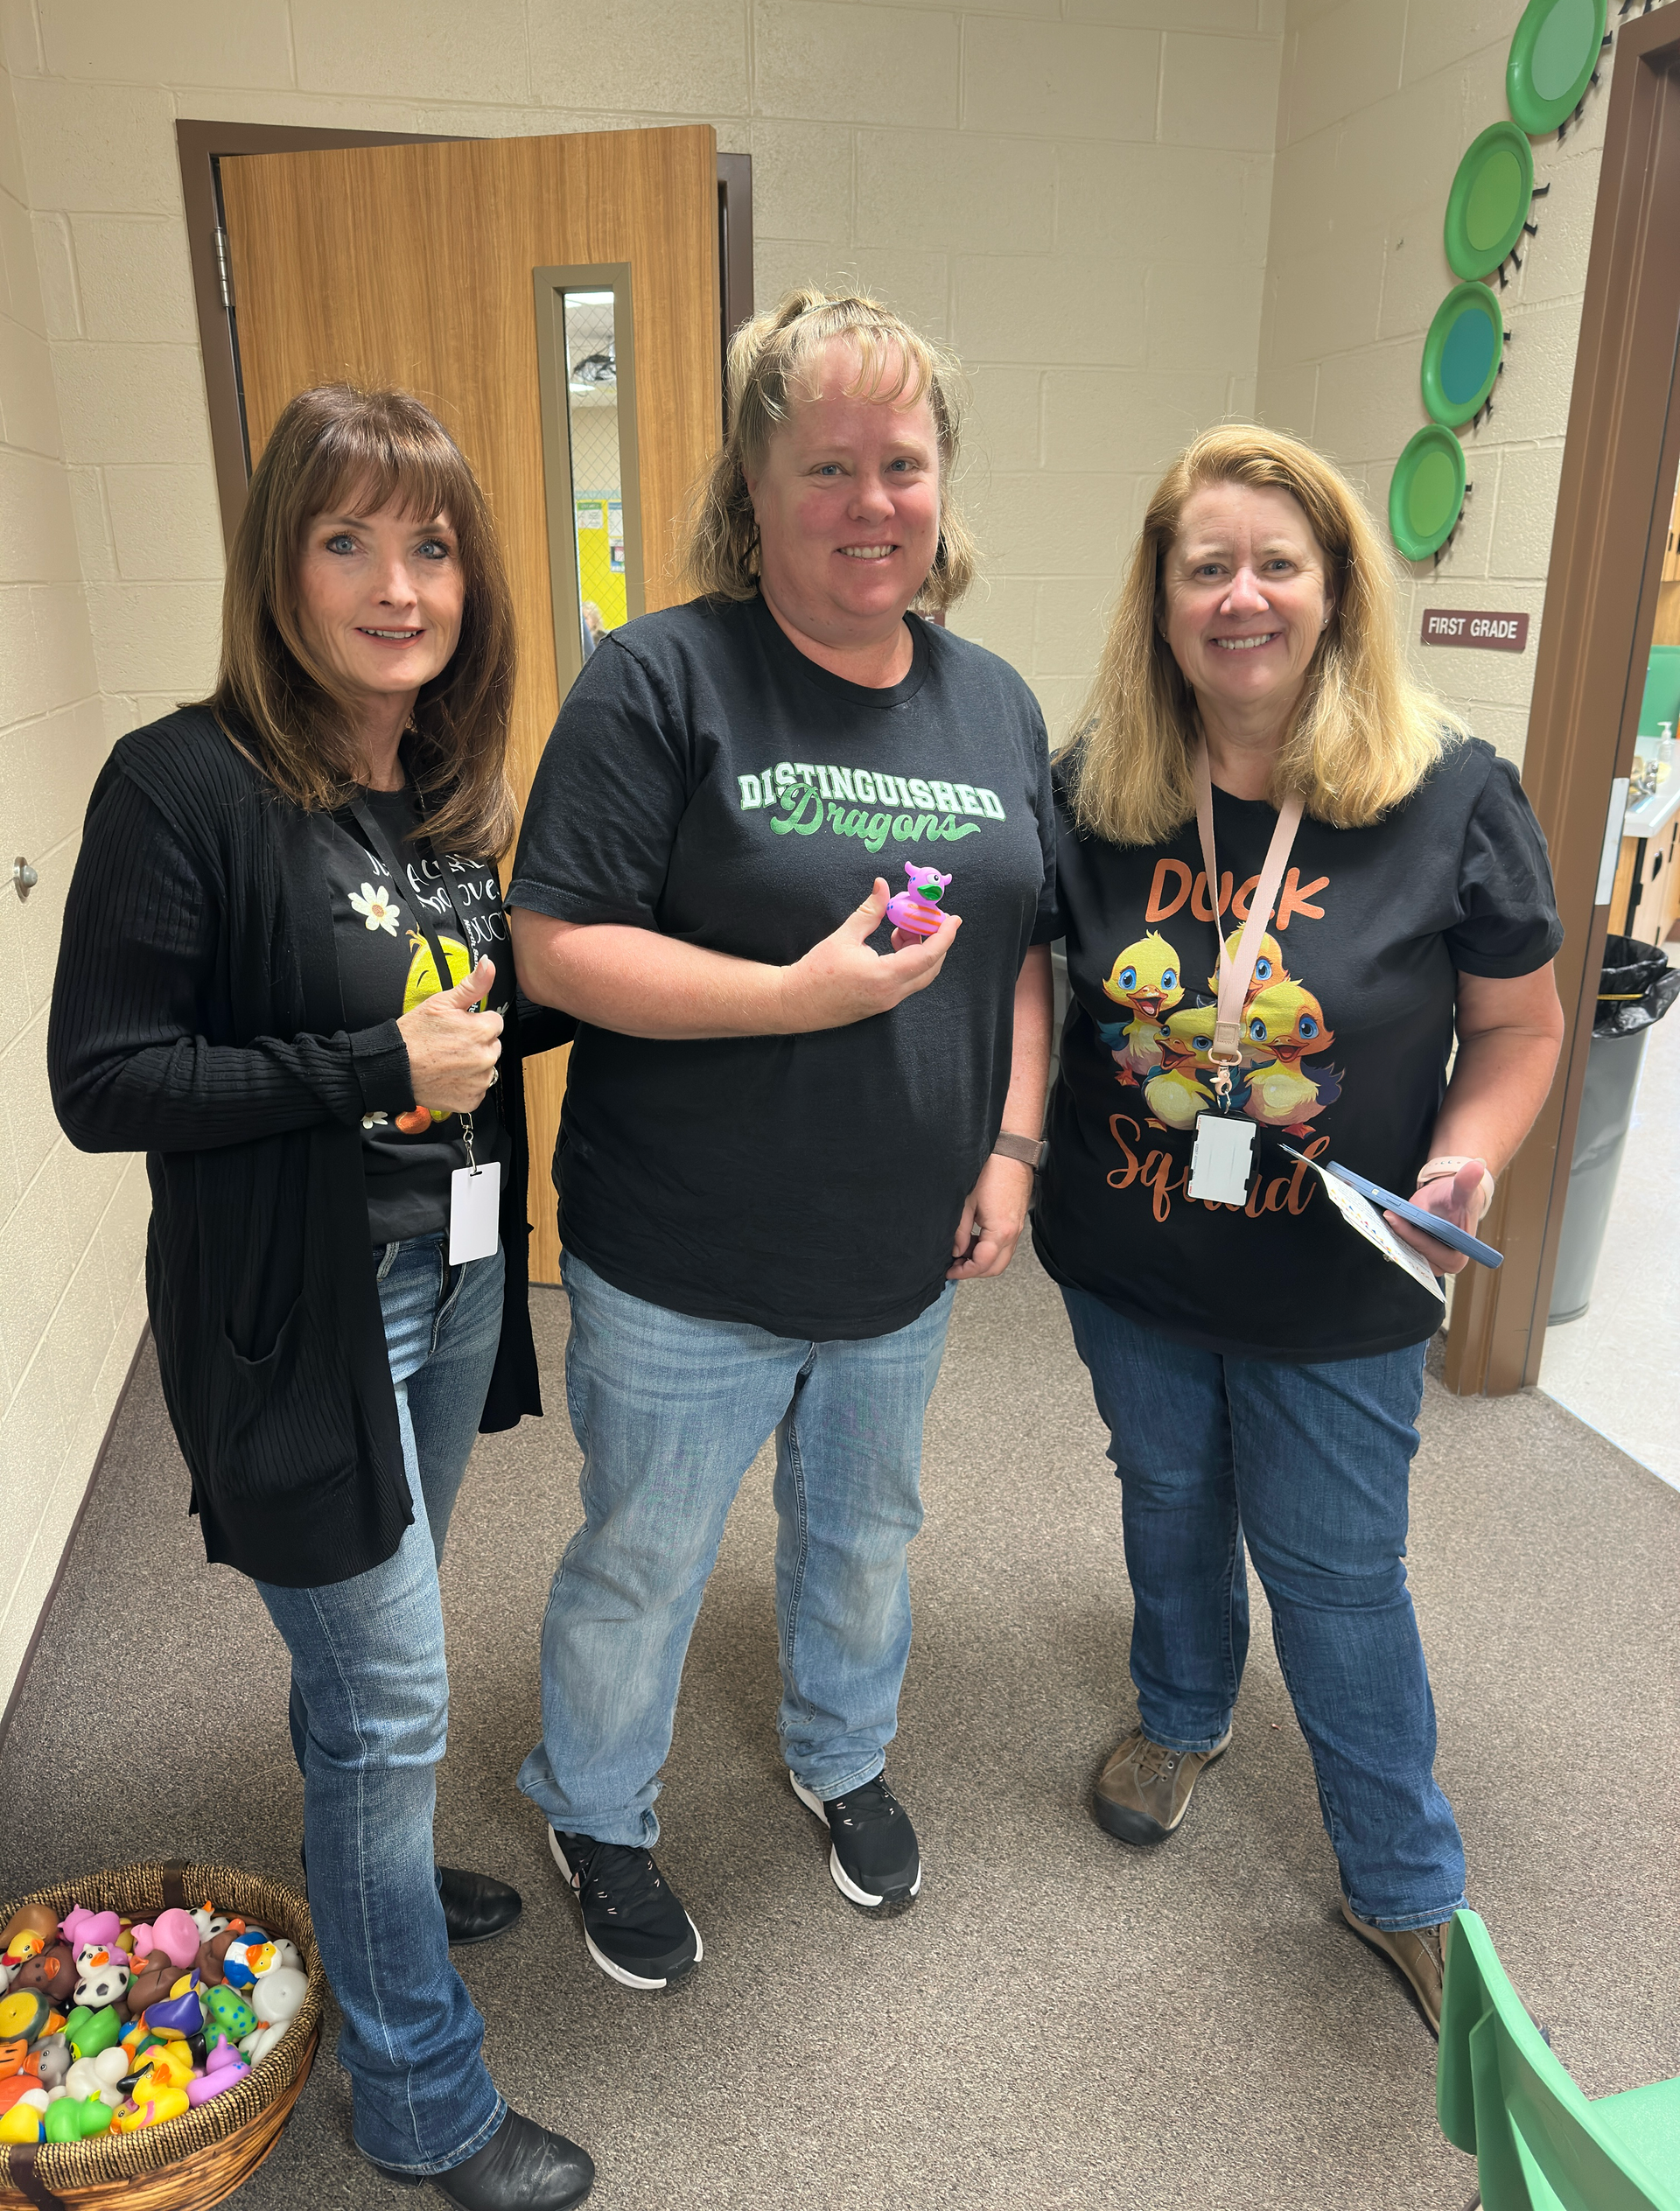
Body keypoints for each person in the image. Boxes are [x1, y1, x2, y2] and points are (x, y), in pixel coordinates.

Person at [48, 385, 592, 2209]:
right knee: (391, 1697)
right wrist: (368, 1062)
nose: (397, 582)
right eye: (347, 537)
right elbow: (103, 1080)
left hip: (443, 1286)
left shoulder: (439, 796)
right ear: (278, 561)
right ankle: (423, 2096)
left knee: (376, 1666)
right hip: (301, 1311)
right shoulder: (180, 781)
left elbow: (484, 1012)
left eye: (430, 542)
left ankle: (371, 1877)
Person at [508, 288, 1057, 1989]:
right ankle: (594, 1802)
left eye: (902, 461)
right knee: (649, 1546)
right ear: (754, 486)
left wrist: (1013, 1144)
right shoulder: (662, 674)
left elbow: (1027, 946)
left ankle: (838, 1747)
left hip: (901, 1248)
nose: (871, 501)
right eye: (827, 463)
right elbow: (559, 943)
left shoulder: (996, 703)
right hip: (687, 1252)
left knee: (865, 1526)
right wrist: (795, 998)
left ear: (944, 482)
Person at [1034, 425, 1564, 2034]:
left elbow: (1526, 1031)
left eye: (1280, 563)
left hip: (1341, 1275)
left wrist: (1469, 1157)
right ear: (1163, 595)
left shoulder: (1449, 787)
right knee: (1169, 1495)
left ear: (1335, 591)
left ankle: (1403, 1882)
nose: (1243, 595)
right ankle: (1184, 1713)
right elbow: (1021, 986)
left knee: (1338, 1575)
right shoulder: (1098, 782)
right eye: (1209, 566)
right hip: (1133, 1250)